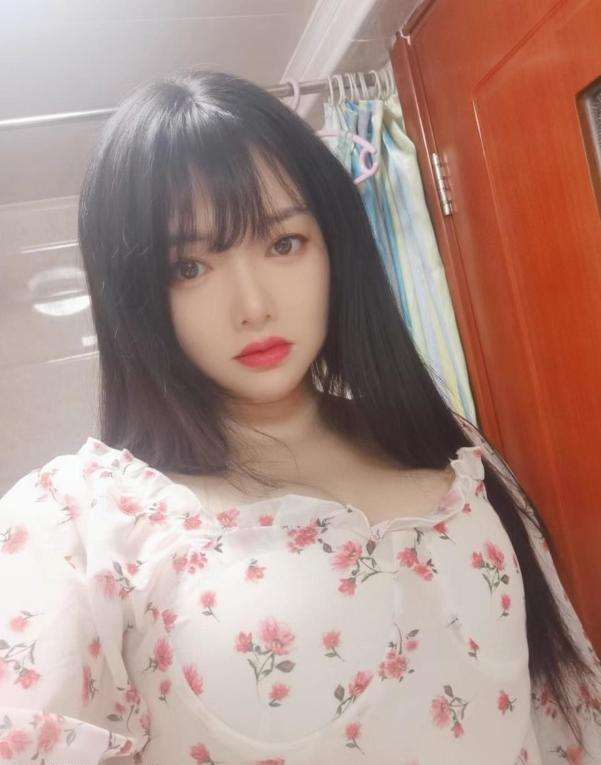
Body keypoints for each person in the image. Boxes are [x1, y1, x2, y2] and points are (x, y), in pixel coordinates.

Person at [0, 70, 599, 765]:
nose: (253, 305)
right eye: (188, 268)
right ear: (134, 297)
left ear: (335, 247)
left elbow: (559, 708)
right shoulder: (74, 523)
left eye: (283, 243)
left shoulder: (448, 446)